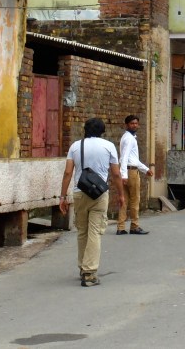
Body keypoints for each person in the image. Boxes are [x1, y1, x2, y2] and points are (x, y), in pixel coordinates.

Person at [59, 118, 125, 287]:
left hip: (79, 192)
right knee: (95, 231)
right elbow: (116, 174)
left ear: (85, 130)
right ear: (102, 131)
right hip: (99, 194)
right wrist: (121, 194)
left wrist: (62, 197)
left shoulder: (75, 146)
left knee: (82, 231)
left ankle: (82, 266)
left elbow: (68, 173)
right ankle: (89, 273)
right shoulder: (108, 146)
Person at [117, 114, 154, 235]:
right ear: (127, 125)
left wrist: (145, 169)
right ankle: (134, 226)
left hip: (128, 169)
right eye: (132, 123)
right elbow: (125, 157)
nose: (135, 125)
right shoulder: (129, 139)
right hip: (130, 171)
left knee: (124, 200)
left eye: (136, 123)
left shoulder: (128, 137)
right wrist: (124, 175)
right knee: (134, 200)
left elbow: (132, 158)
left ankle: (121, 227)